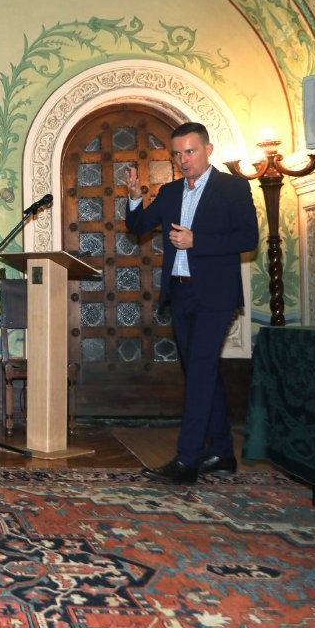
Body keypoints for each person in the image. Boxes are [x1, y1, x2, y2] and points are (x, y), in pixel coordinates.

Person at [124, 122, 259, 484]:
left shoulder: (233, 187)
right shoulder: (169, 193)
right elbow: (137, 225)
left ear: (208, 149)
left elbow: (248, 237)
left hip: (215, 296)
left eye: (191, 151)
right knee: (203, 372)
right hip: (180, 294)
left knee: (199, 370)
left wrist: (197, 240)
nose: (184, 160)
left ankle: (186, 460)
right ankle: (223, 453)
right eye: (178, 154)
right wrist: (135, 196)